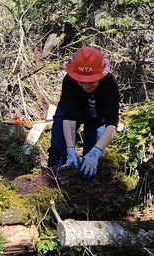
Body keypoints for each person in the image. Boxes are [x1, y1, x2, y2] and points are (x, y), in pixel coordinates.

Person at [47, 46, 120, 179]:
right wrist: (70, 150)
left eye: (91, 82)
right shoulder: (69, 81)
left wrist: (96, 152)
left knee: (91, 163)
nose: (86, 86)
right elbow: (69, 117)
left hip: (97, 118)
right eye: (81, 82)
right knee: (59, 150)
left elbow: (112, 123)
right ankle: (56, 178)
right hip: (71, 114)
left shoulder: (110, 84)